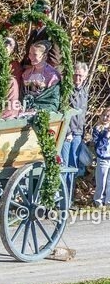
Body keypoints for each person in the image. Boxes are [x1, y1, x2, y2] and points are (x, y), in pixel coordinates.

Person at [60, 61, 90, 203]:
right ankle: (62, 199)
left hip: (78, 134)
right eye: (75, 75)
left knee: (74, 167)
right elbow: (65, 112)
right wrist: (68, 132)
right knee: (64, 166)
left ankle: (69, 199)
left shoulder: (84, 90)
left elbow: (81, 115)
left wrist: (81, 134)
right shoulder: (67, 90)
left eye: (80, 76)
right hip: (68, 134)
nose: (77, 78)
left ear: (85, 76)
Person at [92, 110, 110, 207]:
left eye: (108, 116)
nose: (105, 118)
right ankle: (98, 201)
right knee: (101, 182)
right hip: (103, 158)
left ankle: (108, 202)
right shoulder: (98, 129)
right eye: (104, 115)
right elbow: (98, 146)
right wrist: (106, 136)